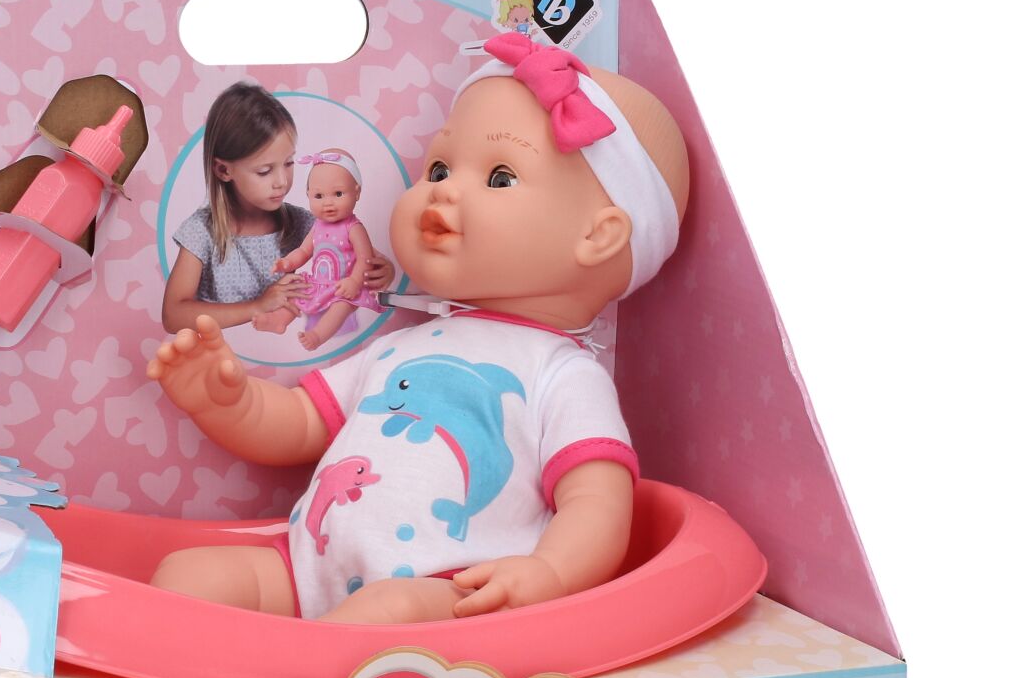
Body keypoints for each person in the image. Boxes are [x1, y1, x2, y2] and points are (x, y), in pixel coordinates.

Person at [146, 33, 689, 623]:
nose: (442, 189)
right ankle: (243, 667)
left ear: (598, 237)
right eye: (439, 167)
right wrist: (225, 403)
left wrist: (549, 574)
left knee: (389, 611)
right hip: (307, 568)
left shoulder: (562, 373)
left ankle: (293, 667)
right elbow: (300, 423)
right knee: (185, 575)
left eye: (499, 177)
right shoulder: (400, 345)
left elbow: (596, 501)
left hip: (446, 590)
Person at [161, 82, 392, 332]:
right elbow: (173, 316)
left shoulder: (302, 223)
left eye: (289, 163)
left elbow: (365, 259)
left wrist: (382, 272)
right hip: (217, 351)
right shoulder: (202, 231)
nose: (282, 181)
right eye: (264, 171)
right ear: (223, 170)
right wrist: (258, 306)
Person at [253, 149, 383, 351]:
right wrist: (287, 262)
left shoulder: (354, 228)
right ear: (308, 195)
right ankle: (279, 319)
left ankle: (317, 335)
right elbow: (304, 251)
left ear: (356, 192)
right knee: (296, 290)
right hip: (319, 283)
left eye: (338, 194)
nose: (328, 203)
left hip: (344, 285)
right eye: (319, 196)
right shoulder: (317, 226)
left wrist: (354, 281)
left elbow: (365, 257)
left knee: (341, 307)